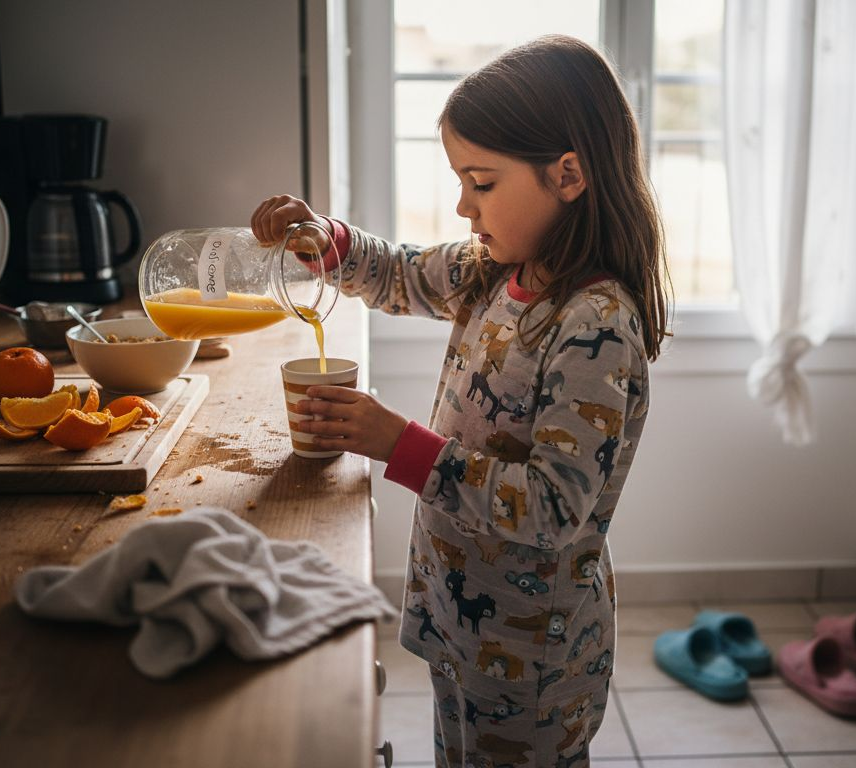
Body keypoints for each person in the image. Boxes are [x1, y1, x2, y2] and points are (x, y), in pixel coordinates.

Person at [251, 34, 669, 768]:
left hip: (533, 654)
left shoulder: (595, 325)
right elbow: (403, 274)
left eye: (482, 182)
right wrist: (327, 240)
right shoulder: (491, 270)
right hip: (463, 614)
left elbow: (549, 506)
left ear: (567, 175)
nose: (462, 204)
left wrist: (398, 443)